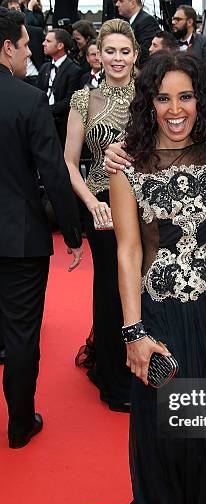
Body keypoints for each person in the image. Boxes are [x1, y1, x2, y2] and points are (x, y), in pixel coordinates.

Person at [43, 51, 206, 504]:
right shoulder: (126, 162)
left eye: (185, 97)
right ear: (148, 101)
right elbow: (129, 251)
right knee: (170, 436)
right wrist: (132, 331)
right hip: (163, 312)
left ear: (199, 100)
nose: (175, 109)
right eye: (163, 98)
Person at [0, 7, 82, 449]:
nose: (30, 53)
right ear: (8, 46)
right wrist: (72, 233)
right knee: (20, 334)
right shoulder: (28, 99)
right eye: (26, 45)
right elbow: (53, 171)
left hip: (18, 238)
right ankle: (19, 424)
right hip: (20, 239)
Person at [65, 19, 139, 413]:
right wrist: (91, 203)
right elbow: (69, 162)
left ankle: (149, 363)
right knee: (112, 288)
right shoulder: (83, 99)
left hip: (146, 203)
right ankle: (115, 379)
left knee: (147, 283)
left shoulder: (150, 94)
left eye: (124, 51)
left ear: (135, 54)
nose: (116, 58)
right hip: (103, 204)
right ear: (97, 54)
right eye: (109, 50)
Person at [36, 29, 82, 146]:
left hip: (62, 127)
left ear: (60, 45)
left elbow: (70, 101)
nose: (43, 43)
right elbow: (38, 93)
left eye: (48, 41)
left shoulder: (74, 70)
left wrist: (47, 110)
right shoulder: (44, 68)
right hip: (42, 123)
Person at [115, 0, 158, 64]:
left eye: (121, 1)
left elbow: (145, 52)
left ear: (133, 3)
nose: (117, 4)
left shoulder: (147, 21)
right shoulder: (129, 22)